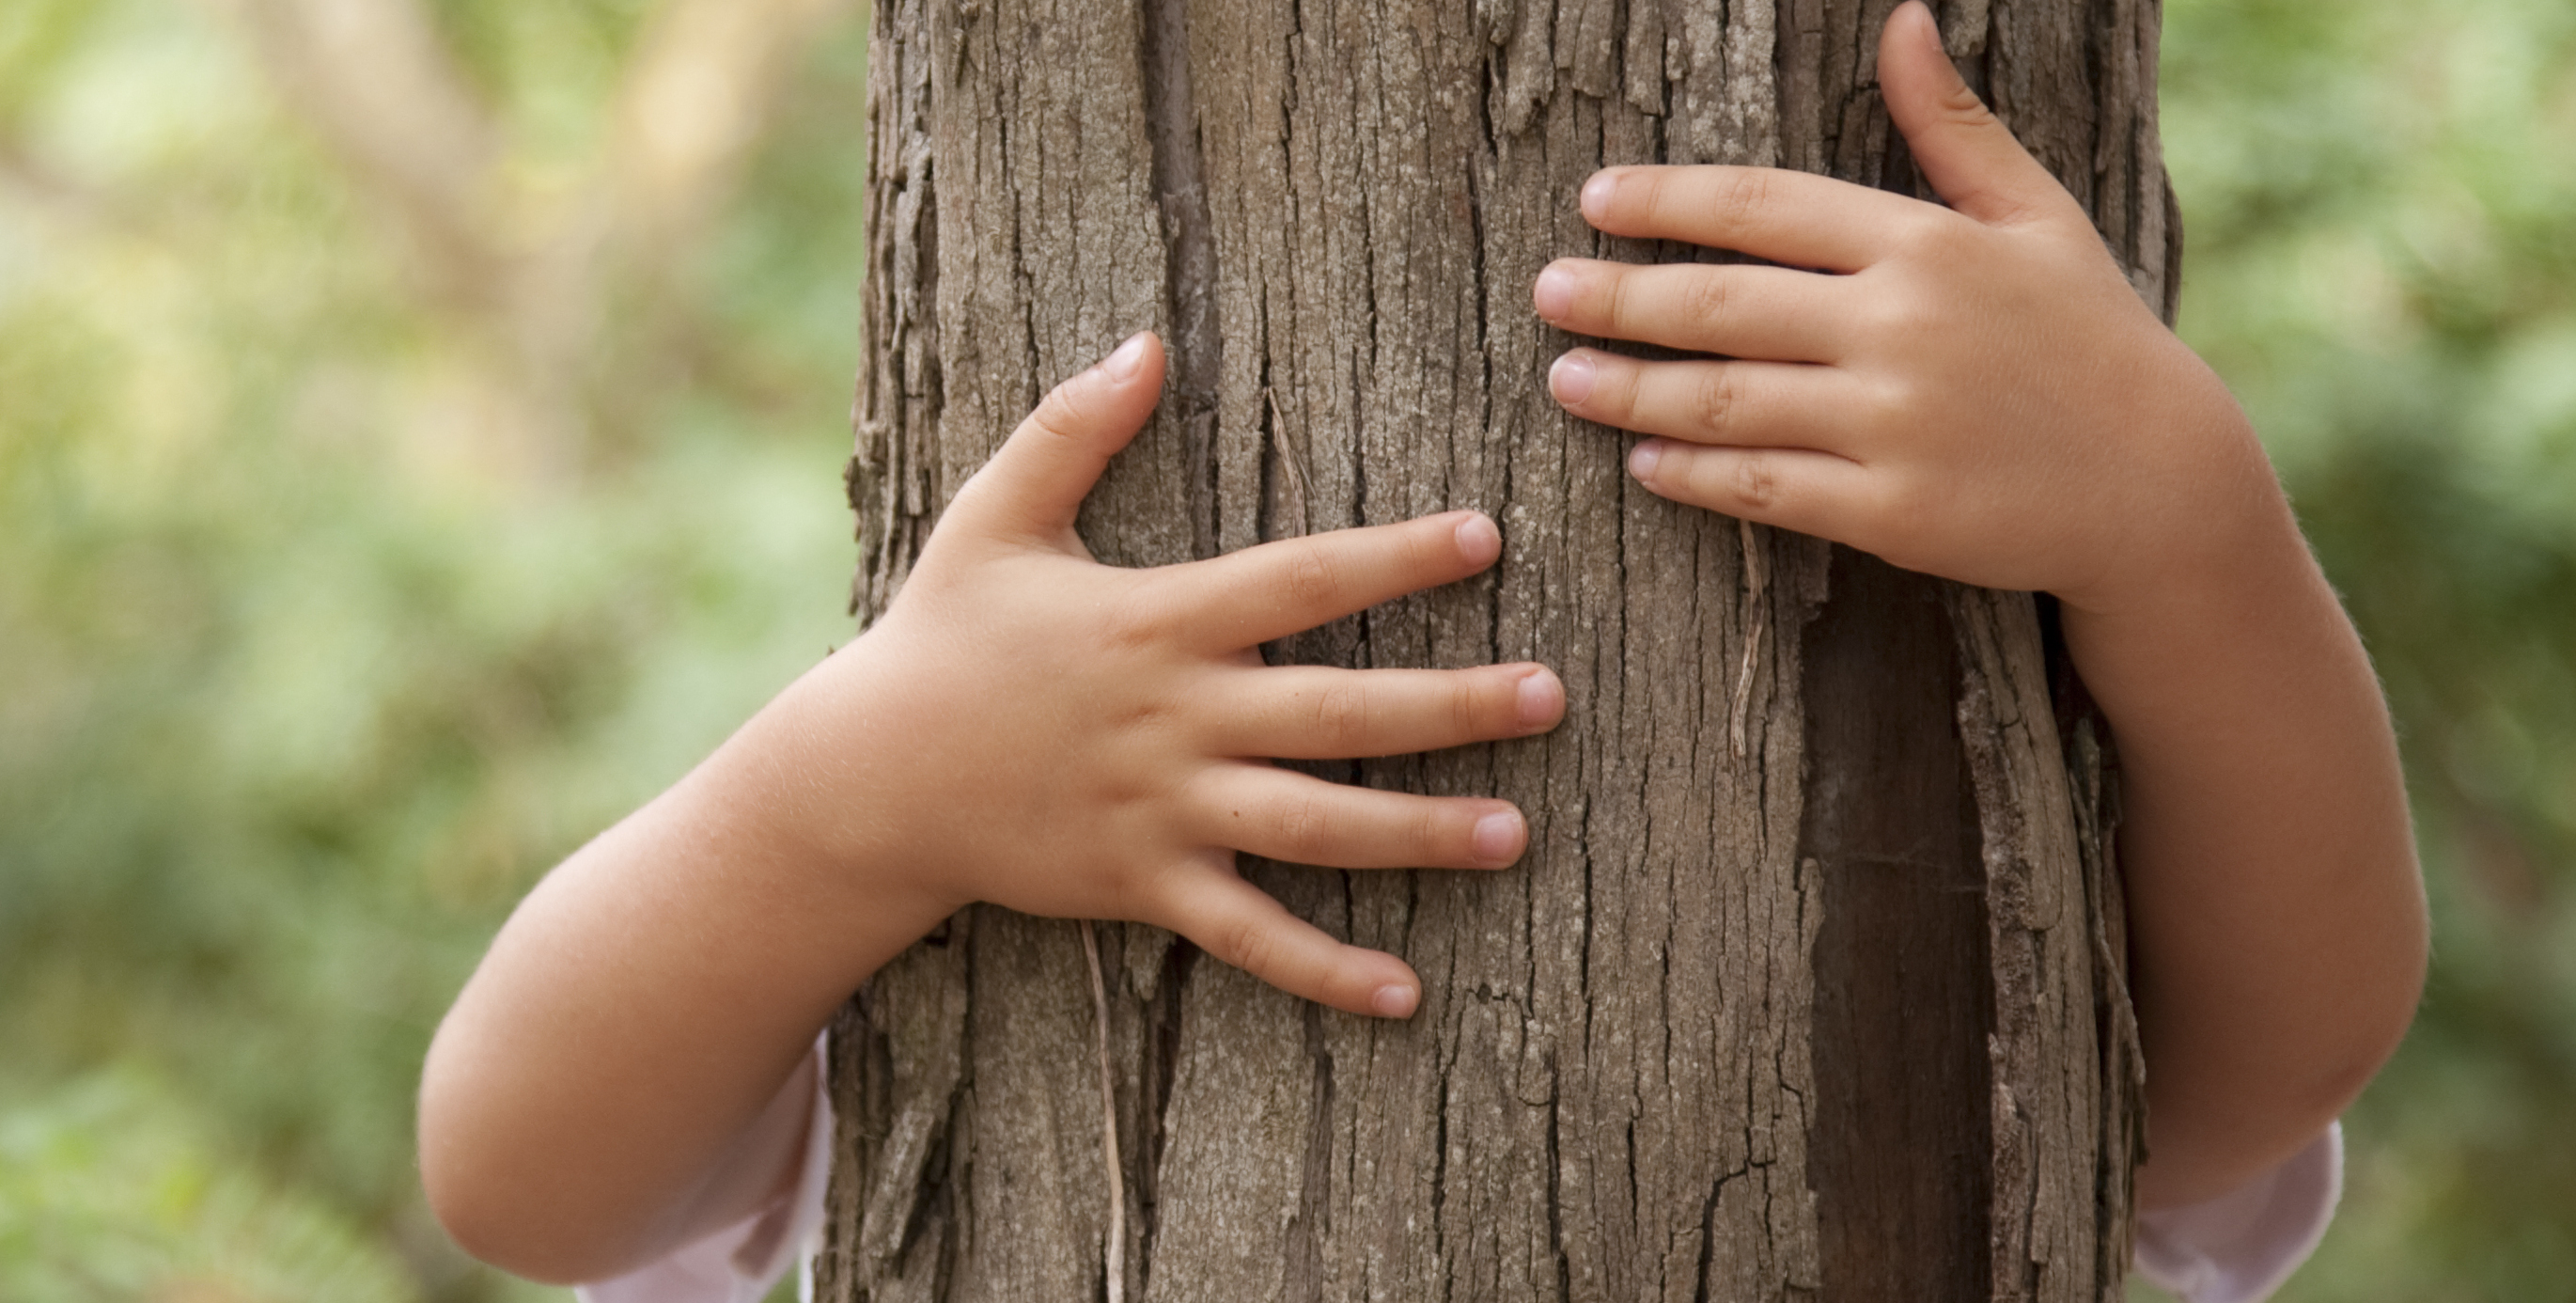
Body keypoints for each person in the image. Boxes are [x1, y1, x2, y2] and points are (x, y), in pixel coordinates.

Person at [414, 5, 2428, 1300]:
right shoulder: (1007, 936)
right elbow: (522, 1176)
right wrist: (857, 800)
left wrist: (2181, 527)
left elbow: (2243, 1081)